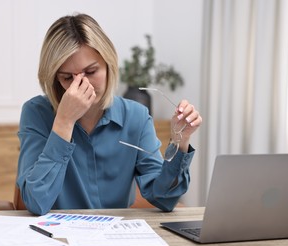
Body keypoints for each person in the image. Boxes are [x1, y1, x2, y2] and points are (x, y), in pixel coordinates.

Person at [16, 13, 202, 216]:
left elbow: (164, 198)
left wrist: (180, 141)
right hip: (58, 237)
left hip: (117, 239)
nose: (82, 85)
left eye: (91, 71)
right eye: (68, 77)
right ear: (55, 80)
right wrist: (64, 122)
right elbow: (36, 202)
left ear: (108, 64)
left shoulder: (136, 117)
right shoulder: (36, 113)